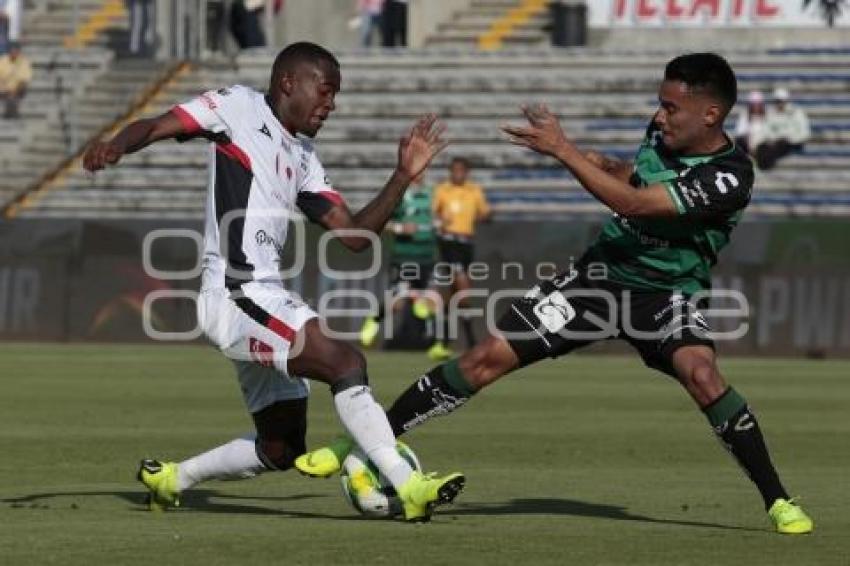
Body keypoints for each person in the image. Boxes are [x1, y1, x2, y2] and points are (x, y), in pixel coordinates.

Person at [296, 53, 814, 535]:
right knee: (484, 358)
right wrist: (601, 162)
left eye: (671, 106)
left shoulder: (730, 175)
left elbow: (636, 204)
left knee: (702, 375)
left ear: (711, 114)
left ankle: (778, 500)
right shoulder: (661, 136)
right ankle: (359, 439)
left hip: (665, 293)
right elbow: (635, 177)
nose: (660, 116)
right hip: (597, 279)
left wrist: (565, 151)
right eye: (660, 104)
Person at [82, 42, 464, 522]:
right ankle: (408, 486)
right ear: (289, 83)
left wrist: (403, 175)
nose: (331, 106)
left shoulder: (303, 155)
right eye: (326, 93)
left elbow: (354, 236)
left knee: (281, 447)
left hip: (262, 297)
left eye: (335, 96)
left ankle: (173, 478)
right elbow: (158, 125)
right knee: (344, 360)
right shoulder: (237, 107)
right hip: (236, 293)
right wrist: (118, 144)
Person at [359, 171, 437, 349]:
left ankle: (433, 344)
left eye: (424, 169)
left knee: (430, 302)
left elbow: (438, 218)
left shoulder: (432, 194)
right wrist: (401, 228)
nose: (420, 174)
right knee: (397, 304)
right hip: (404, 257)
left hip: (427, 257)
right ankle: (374, 318)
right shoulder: (400, 196)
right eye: (418, 170)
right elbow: (380, 221)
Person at [426, 157, 491, 360]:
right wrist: (440, 220)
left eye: (461, 171)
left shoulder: (474, 190)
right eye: (454, 170)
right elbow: (432, 214)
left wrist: (481, 217)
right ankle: (471, 342)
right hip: (448, 241)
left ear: (466, 172)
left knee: (455, 295)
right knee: (462, 286)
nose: (457, 174)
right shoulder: (442, 190)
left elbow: (485, 213)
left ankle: (443, 342)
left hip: (466, 243)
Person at [756, 87, 811, 170]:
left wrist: (791, 139)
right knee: (761, 147)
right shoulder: (770, 113)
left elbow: (804, 133)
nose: (779, 104)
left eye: (781, 101)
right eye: (777, 101)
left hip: (792, 142)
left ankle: (766, 166)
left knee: (778, 146)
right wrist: (773, 139)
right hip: (776, 141)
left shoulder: (796, 113)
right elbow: (766, 129)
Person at [0, 42, 31, 119]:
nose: (13, 53)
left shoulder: (24, 62)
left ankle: (11, 112)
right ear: (9, 52)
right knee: (8, 94)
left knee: (22, 86)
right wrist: (6, 88)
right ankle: (11, 113)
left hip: (18, 88)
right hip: (4, 87)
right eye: (12, 51)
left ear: (18, 52)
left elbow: (25, 78)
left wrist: (14, 90)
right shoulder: (2, 60)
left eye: (15, 51)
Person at [733, 90, 769, 156]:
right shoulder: (745, 115)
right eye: (754, 104)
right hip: (748, 143)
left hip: (762, 144)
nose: (756, 106)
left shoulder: (767, 116)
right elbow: (739, 132)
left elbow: (768, 132)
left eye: (758, 104)